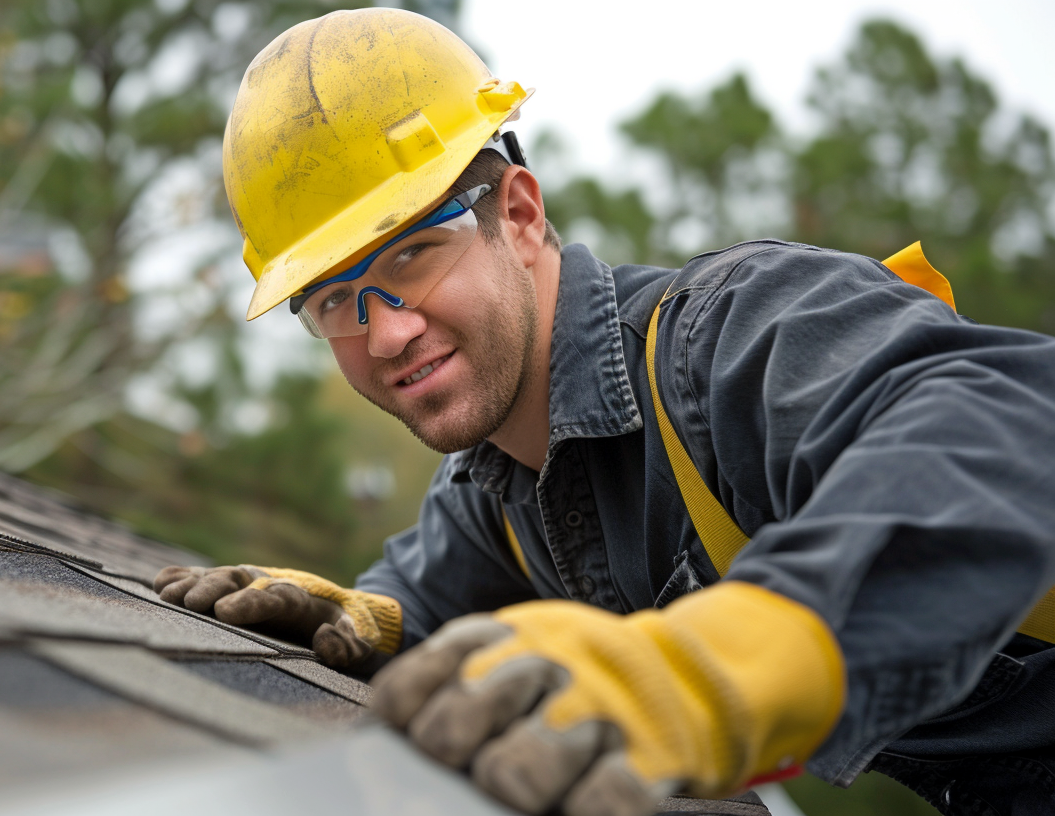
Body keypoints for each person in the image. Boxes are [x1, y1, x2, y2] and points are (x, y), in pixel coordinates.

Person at [152, 9, 1055, 816]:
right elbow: (416, 607)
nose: (384, 333)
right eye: (332, 301)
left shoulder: (730, 334)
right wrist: (366, 623)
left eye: (412, 254)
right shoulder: (495, 495)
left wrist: (712, 668)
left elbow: (1010, 422)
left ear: (520, 212)